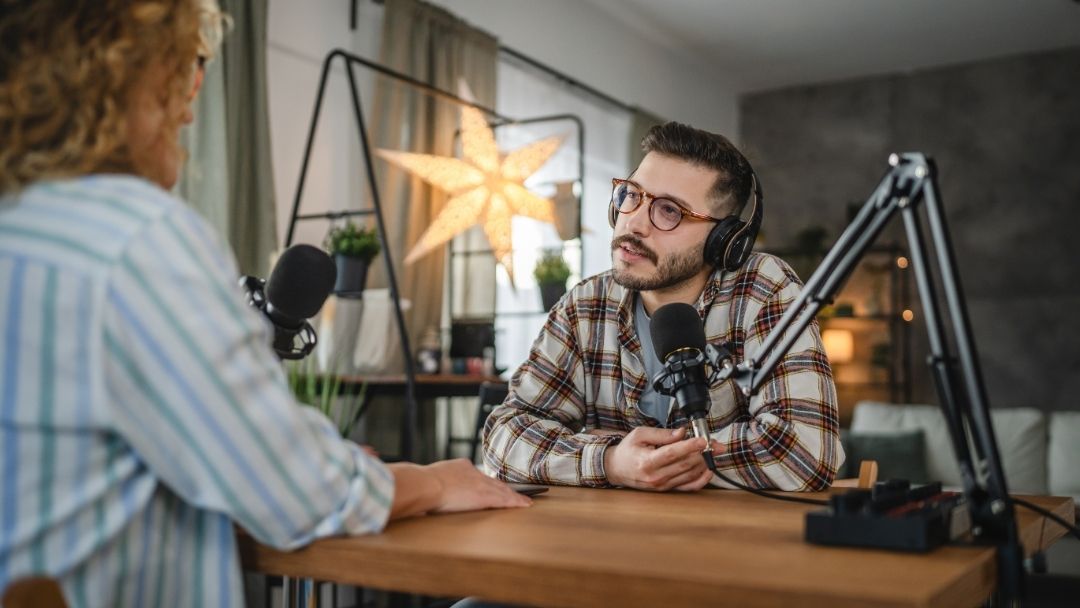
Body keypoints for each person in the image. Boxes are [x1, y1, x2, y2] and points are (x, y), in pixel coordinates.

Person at [0, 1, 528, 606]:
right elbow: (294, 490)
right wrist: (432, 480)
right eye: (184, 68)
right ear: (116, 70)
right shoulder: (138, 238)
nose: (191, 103)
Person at [482, 122, 844, 492]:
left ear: (725, 240)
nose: (634, 222)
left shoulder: (763, 290)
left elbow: (807, 452)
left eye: (670, 211)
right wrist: (611, 461)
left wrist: (654, 460)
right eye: (631, 195)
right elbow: (504, 436)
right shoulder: (586, 305)